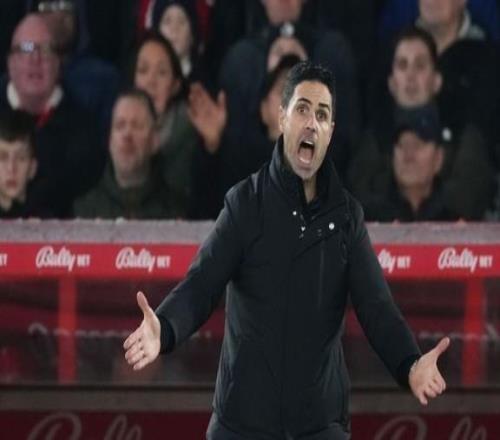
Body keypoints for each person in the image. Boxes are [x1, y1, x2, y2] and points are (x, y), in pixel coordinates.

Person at [123, 61, 449, 439]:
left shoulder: (346, 218)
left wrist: (410, 365)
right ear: (282, 118)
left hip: (319, 426)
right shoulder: (246, 204)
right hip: (241, 424)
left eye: (322, 115)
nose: (312, 123)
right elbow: (201, 285)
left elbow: (377, 308)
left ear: (330, 131)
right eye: (302, 110)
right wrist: (163, 329)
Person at [0, 13, 104, 217]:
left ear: (58, 63)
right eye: (26, 48)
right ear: (10, 63)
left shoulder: (83, 129)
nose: (35, 59)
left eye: (45, 50)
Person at [74, 89, 182, 220]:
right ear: (110, 141)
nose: (127, 135)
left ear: (154, 140)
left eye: (137, 126)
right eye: (120, 126)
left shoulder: (177, 211)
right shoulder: (85, 212)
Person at [363, 106, 456, 221]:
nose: (408, 156)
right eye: (402, 144)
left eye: (417, 145)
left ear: (438, 158)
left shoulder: (456, 223)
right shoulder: (367, 221)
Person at [0, 109, 51, 218]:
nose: (11, 168)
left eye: (21, 158)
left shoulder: (49, 218)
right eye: (3, 157)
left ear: (32, 168)